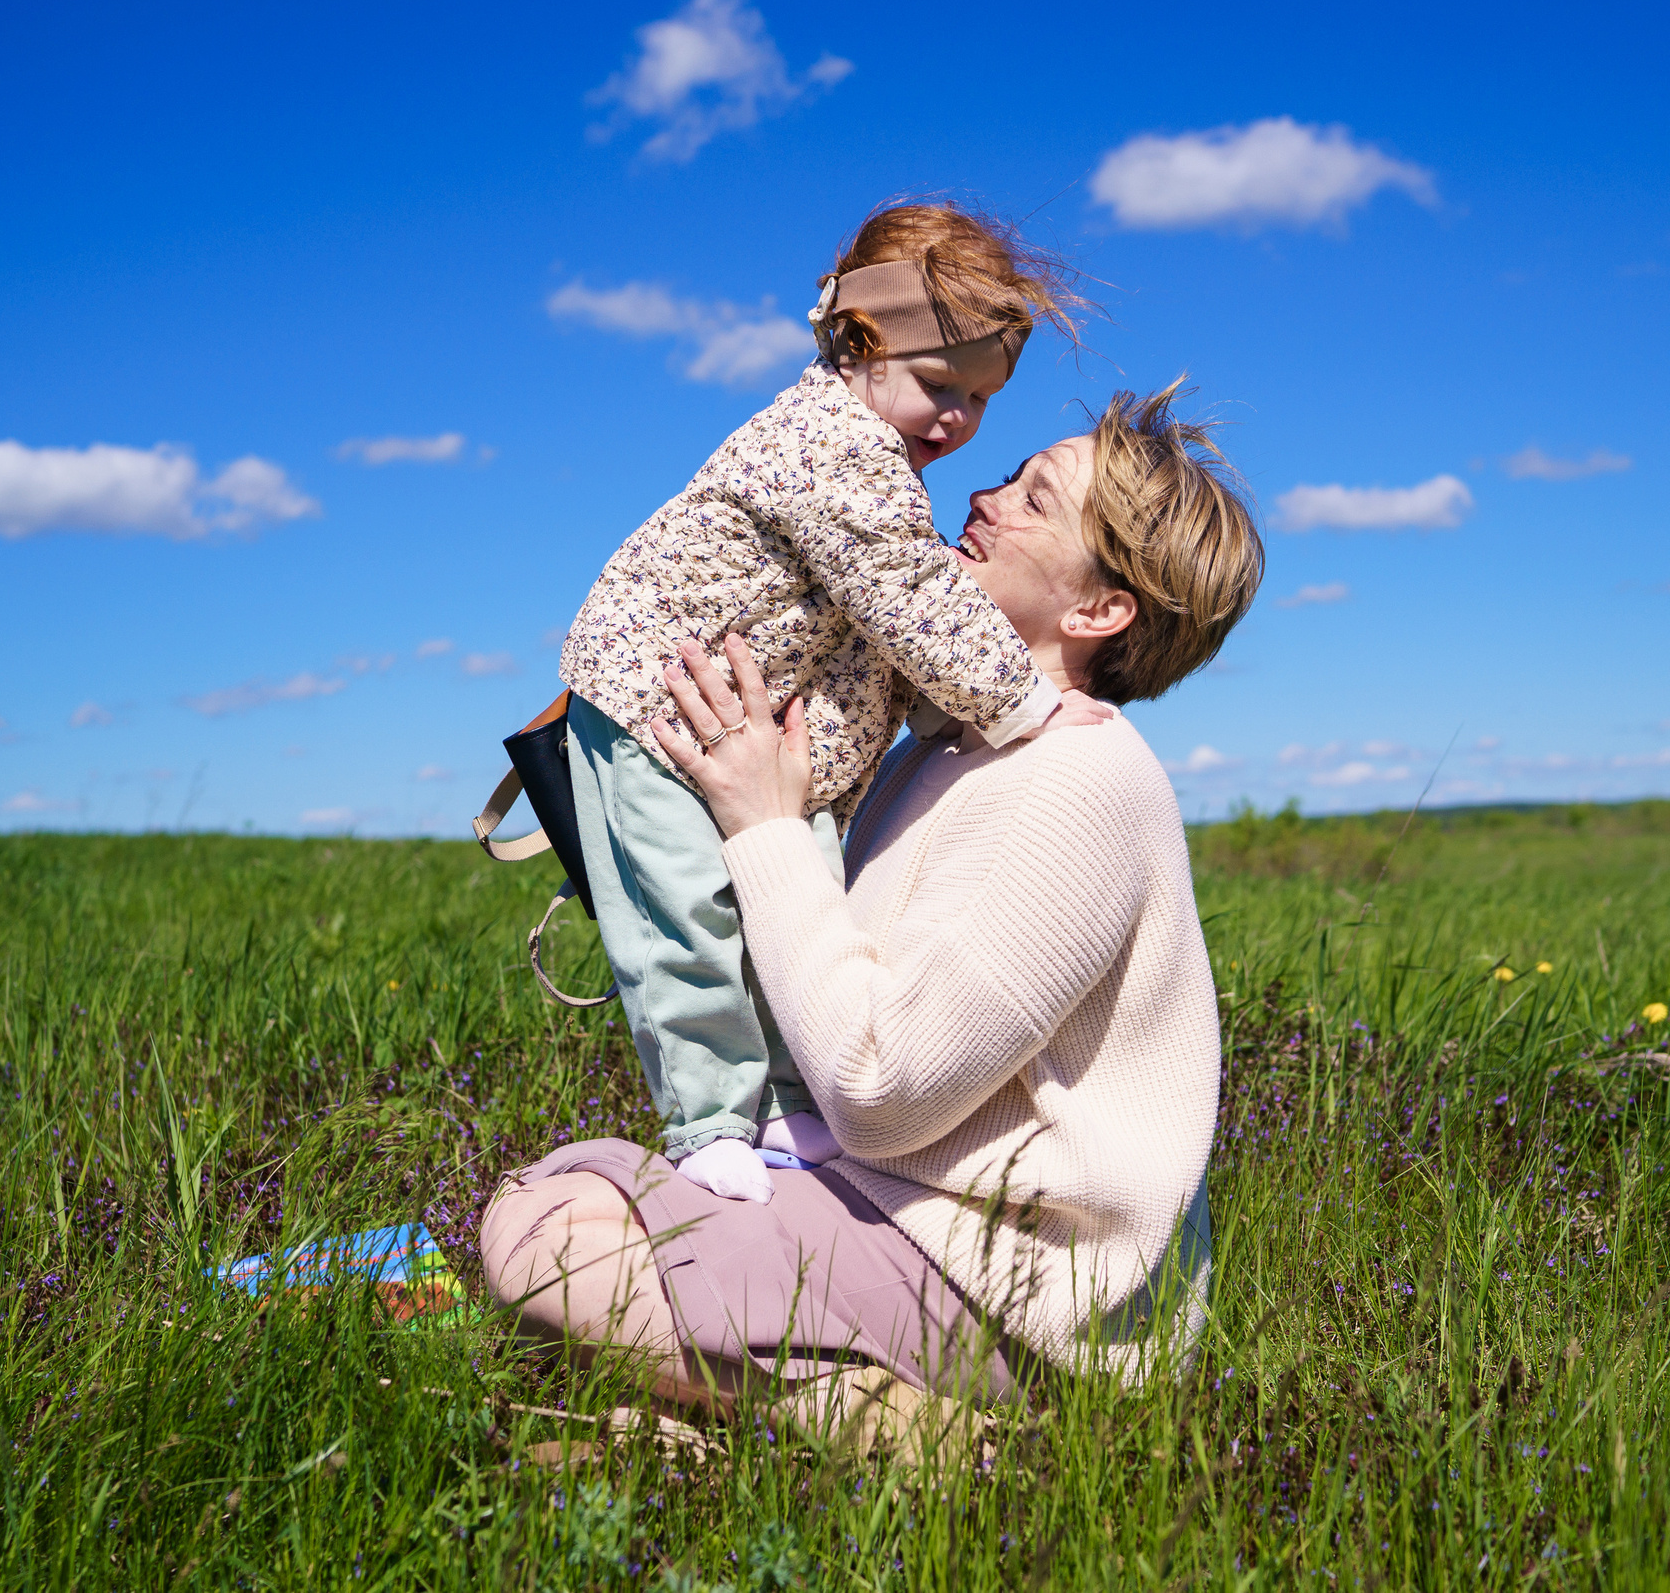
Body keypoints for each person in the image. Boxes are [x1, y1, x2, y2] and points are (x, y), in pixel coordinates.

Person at [482, 384, 1265, 1425]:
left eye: (1033, 499)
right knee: (567, 1202)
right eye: (1008, 475)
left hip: (1020, 1288)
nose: (983, 497)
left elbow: (881, 1093)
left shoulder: (1082, 782)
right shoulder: (941, 751)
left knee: (549, 1239)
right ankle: (772, 1420)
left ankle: (910, 1435)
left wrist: (766, 826)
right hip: (906, 1217)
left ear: (1097, 612)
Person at [557, 202, 1096, 1208]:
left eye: (981, 398)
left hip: (760, 736)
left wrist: (947, 711)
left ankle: (787, 1100)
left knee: (796, 909)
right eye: (939, 384)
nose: (959, 420)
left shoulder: (879, 463)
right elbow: (905, 593)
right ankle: (710, 1117)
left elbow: (876, 638)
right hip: (657, 708)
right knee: (688, 917)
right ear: (858, 343)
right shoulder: (833, 445)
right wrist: (1023, 704)